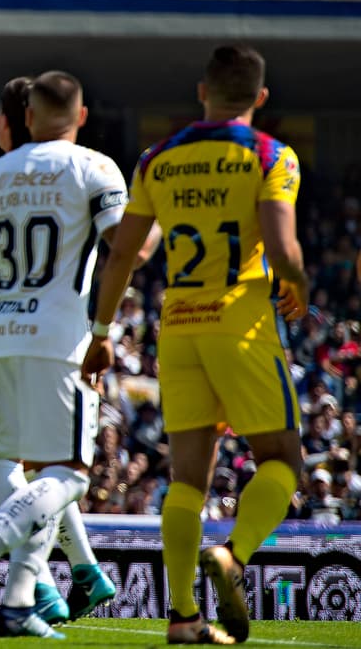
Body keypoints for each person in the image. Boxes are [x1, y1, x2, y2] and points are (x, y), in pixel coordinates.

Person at [82, 45, 308, 645]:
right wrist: (299, 283)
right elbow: (283, 251)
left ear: (201, 91)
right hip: (240, 318)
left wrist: (102, 334)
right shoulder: (270, 154)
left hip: (178, 322)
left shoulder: (159, 158)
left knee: (187, 481)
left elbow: (124, 253)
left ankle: (182, 617)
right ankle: (233, 555)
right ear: (259, 98)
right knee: (283, 459)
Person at [0, 71, 129, 639]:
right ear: (82, 115)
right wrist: (104, 329)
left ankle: (21, 600)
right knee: (66, 475)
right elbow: (125, 249)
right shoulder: (95, 168)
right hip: (59, 338)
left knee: (27, 469)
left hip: (4, 333)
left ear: (24, 118)